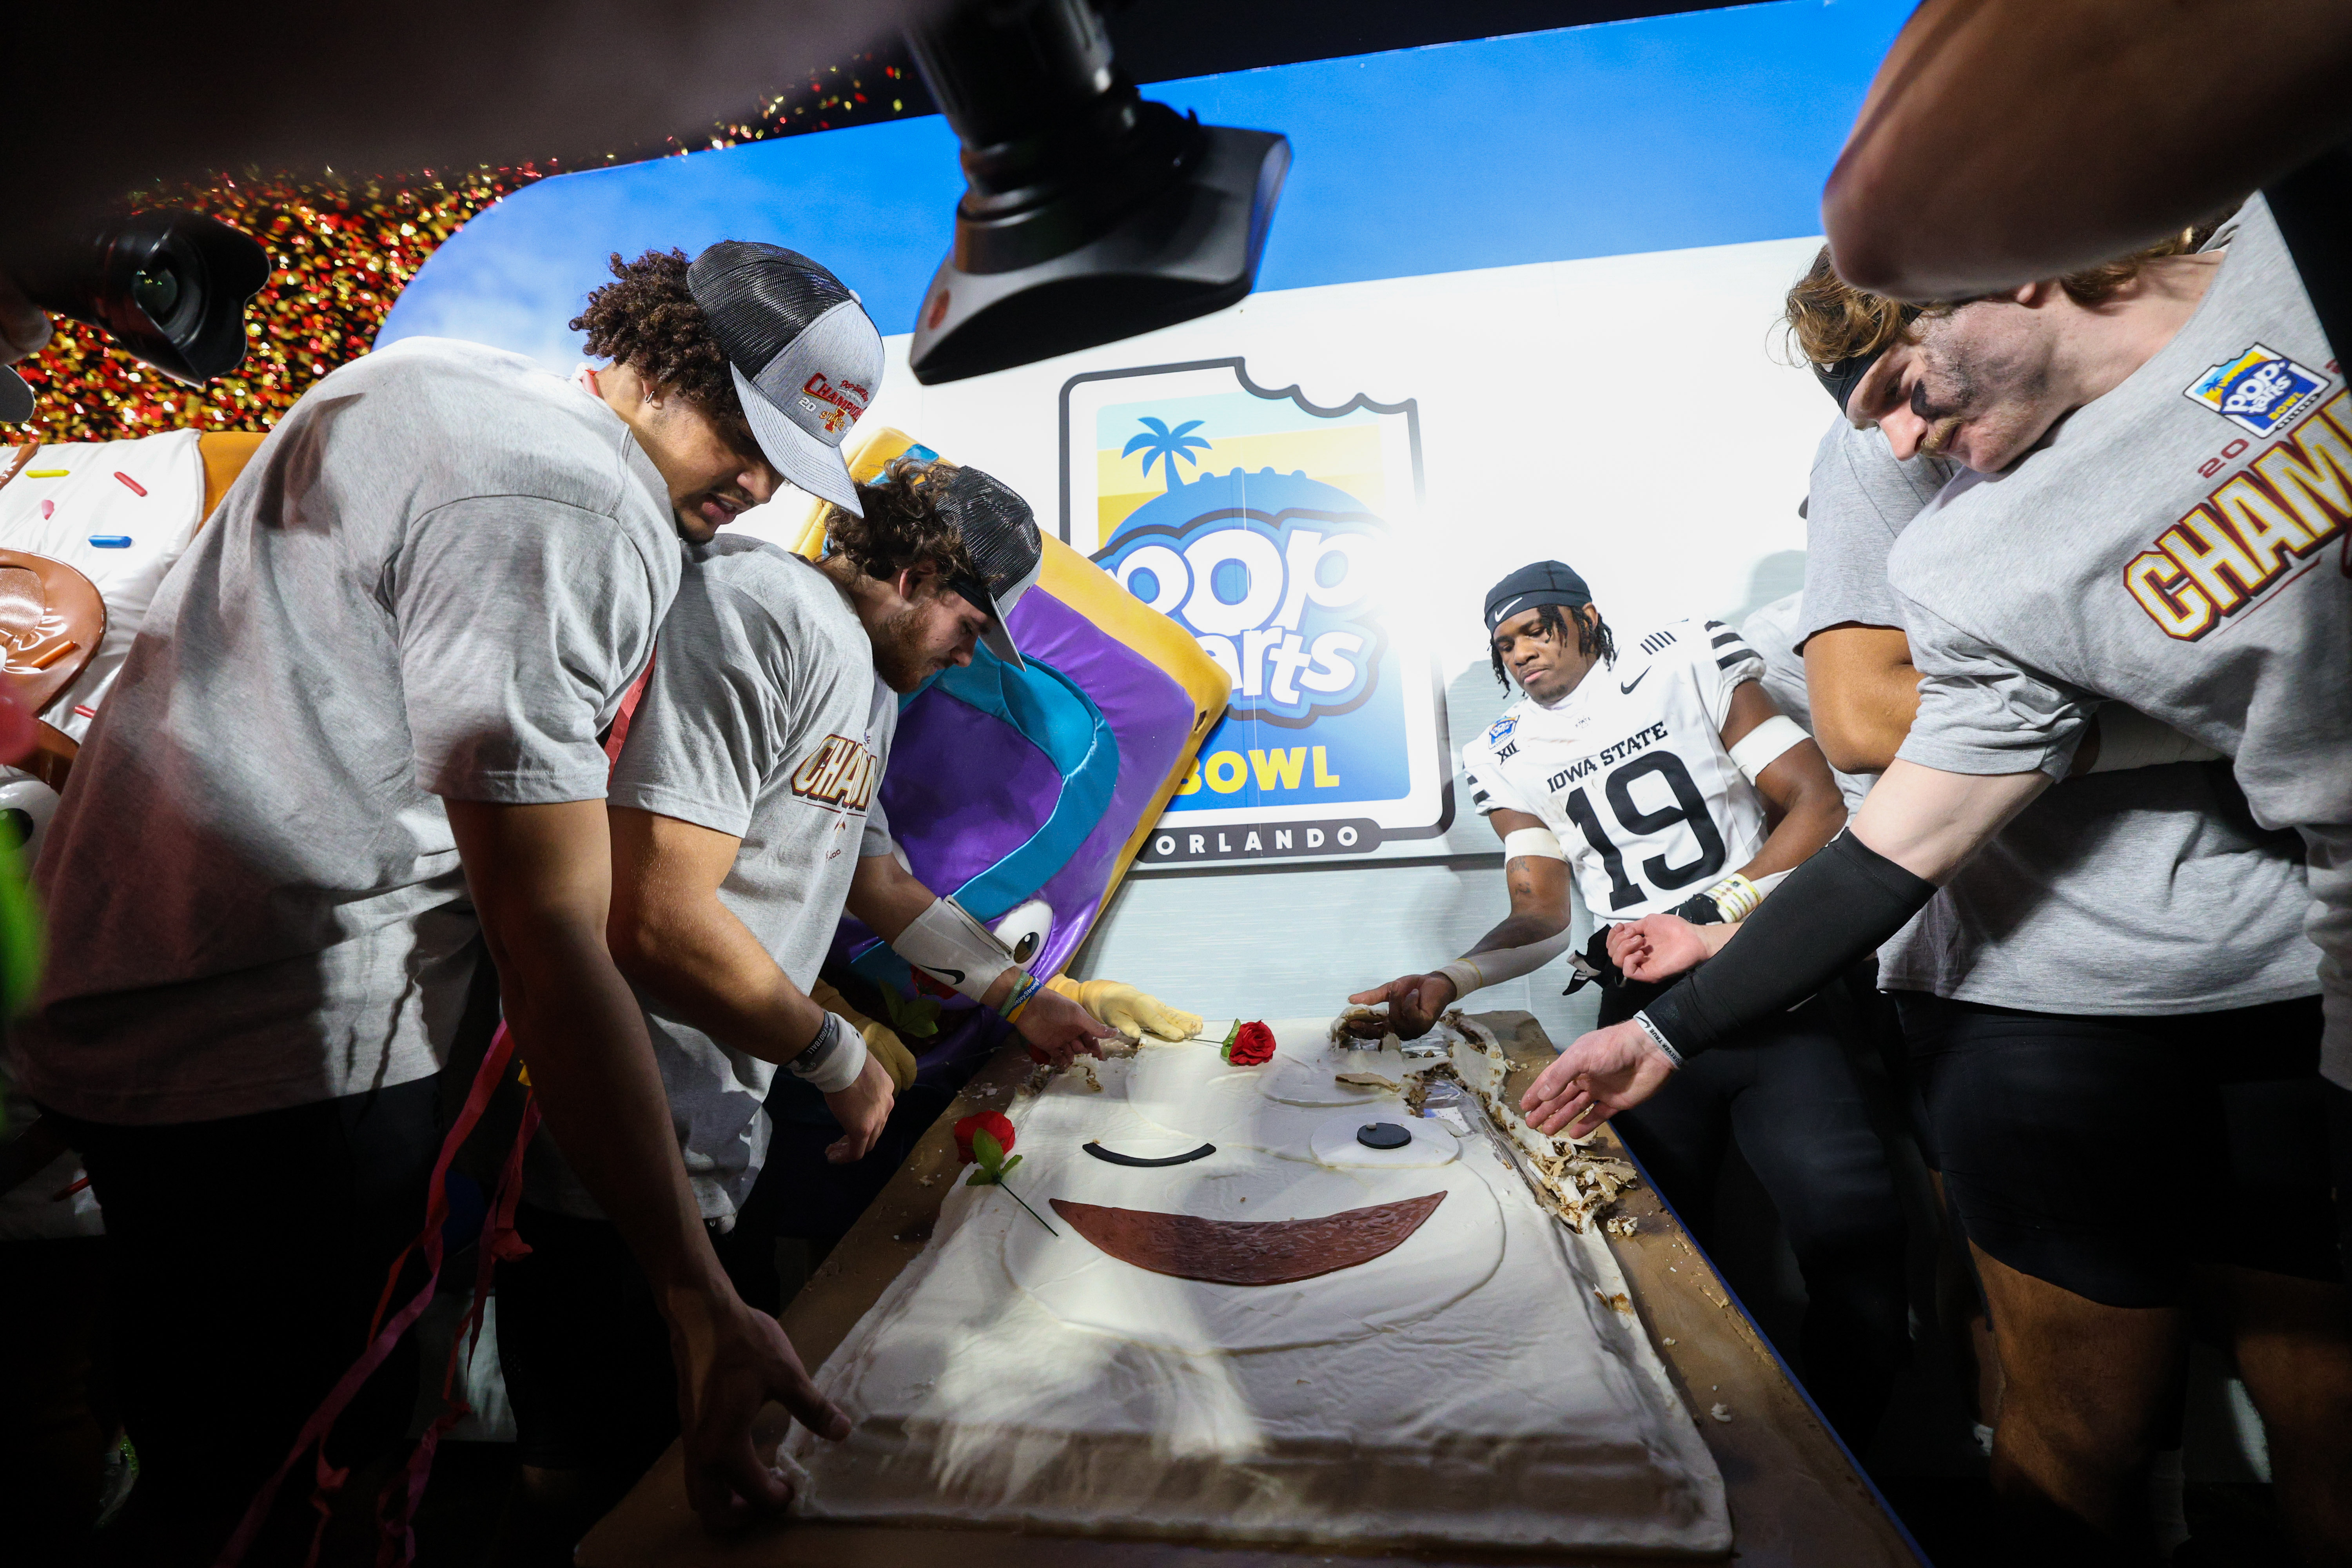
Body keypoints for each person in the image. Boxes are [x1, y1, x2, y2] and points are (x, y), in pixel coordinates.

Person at [7, 241, 877, 1564]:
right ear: (657, 357)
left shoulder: (426, 376)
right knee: (312, 1493)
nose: (754, 485)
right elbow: (553, 938)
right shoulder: (572, 502)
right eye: (743, 435)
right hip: (298, 1065)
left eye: (785, 464)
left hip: (136, 1015)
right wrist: (698, 1300)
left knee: (198, 1453)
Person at [1534, 209, 2352, 1562]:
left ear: (2009, 274)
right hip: (2138, 1000)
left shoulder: (2291, 248)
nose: (1896, 441)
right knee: (2082, 1434)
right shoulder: (1974, 561)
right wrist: (1666, 1031)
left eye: (1904, 387)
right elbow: (1889, 847)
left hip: (2277, 969)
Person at [494, 455, 1135, 1561]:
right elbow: (651, 913)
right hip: (603, 1138)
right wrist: (836, 1052)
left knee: (715, 1458)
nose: (970, 656)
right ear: (917, 567)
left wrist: (1019, 994)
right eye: (971, 624)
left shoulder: (871, 683)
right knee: (600, 1479)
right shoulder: (757, 609)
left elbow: (876, 880)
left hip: (711, 1135)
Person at [1746, 399, 2336, 1560]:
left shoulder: (2179, 415)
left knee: (2326, 1406)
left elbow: (2317, 661)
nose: (1905, 426)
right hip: (2020, 980)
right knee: (2064, 1401)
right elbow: (1868, 778)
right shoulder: (1833, 547)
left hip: (2283, 958)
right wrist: (2206, 691)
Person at [1345, 561, 1908, 1449]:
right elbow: (1542, 912)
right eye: (1505, 643)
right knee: (1642, 1250)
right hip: (1642, 1005)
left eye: (1536, 628)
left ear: (1587, 618)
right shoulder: (1502, 751)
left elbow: (1816, 805)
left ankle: (1848, 1475)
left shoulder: (1682, 657)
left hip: (1777, 981)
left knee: (1854, 1239)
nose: (1523, 652)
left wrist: (1706, 912)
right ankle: (1696, 1461)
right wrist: (1451, 979)